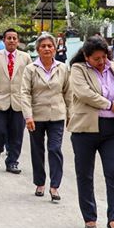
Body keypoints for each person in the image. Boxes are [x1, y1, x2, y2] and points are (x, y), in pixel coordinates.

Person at [68, 37, 114, 228]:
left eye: (104, 57)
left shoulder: (113, 67)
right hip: (85, 129)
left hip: (111, 129)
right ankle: (89, 217)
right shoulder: (78, 69)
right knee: (85, 174)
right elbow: (84, 94)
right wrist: (110, 105)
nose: (101, 62)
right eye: (96, 58)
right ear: (86, 57)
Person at [19, 33, 73, 201]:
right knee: (37, 150)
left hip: (57, 115)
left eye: (50, 46)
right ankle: (40, 183)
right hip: (36, 116)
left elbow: (68, 92)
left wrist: (70, 114)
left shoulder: (63, 68)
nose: (47, 49)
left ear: (55, 49)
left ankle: (55, 186)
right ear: (38, 50)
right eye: (43, 46)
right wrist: (28, 116)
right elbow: (25, 93)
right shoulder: (30, 69)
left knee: (55, 149)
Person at [0, 28, 33, 174]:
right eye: (9, 38)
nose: (11, 40)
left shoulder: (26, 57)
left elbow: (31, 81)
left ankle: (12, 162)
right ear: (4, 40)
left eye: (14, 38)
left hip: (19, 101)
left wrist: (31, 103)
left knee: (16, 134)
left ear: (18, 41)